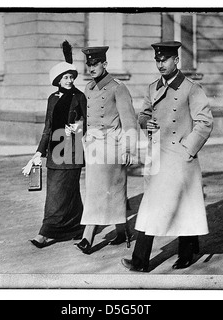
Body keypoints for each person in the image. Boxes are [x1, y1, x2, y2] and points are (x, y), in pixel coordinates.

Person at [121, 41, 214, 271]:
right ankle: (143, 260)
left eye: (165, 60)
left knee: (183, 206)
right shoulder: (152, 87)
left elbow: (204, 122)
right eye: (157, 60)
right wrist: (146, 123)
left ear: (176, 61)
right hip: (158, 157)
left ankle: (183, 254)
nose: (160, 64)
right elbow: (142, 115)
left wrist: (188, 149)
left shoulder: (191, 88)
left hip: (180, 158)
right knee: (150, 207)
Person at [22, 41, 87, 248]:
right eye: (65, 77)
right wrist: (38, 153)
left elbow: (88, 122)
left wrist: (76, 128)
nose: (69, 80)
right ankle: (77, 227)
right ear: (58, 80)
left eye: (71, 77)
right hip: (55, 152)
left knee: (59, 193)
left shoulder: (79, 97)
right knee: (68, 192)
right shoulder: (52, 99)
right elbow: (48, 127)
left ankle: (45, 232)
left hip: (72, 150)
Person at [74, 46, 138, 254]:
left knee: (110, 191)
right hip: (94, 144)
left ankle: (88, 238)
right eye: (89, 64)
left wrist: (129, 149)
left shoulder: (118, 88)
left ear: (104, 64)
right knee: (101, 190)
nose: (91, 68)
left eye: (95, 64)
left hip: (113, 144)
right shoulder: (89, 88)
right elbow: (86, 116)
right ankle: (122, 232)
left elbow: (129, 121)